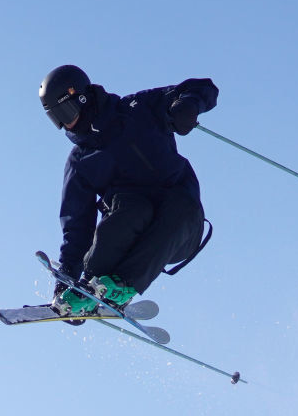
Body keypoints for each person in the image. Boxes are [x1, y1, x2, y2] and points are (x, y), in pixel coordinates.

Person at [39, 64, 219, 316]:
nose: (66, 124)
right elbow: (77, 225)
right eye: (57, 118)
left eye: (66, 111)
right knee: (131, 205)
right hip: (129, 231)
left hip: (181, 229)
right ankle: (86, 290)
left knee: (180, 204)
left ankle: (124, 285)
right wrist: (67, 277)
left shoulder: (137, 109)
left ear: (83, 99)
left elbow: (201, 88)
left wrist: (188, 105)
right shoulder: (80, 161)